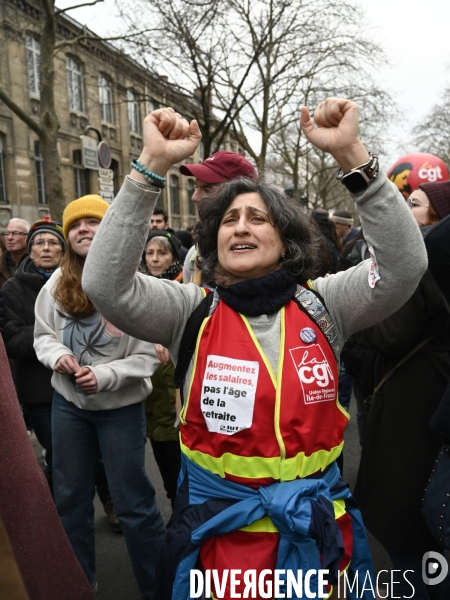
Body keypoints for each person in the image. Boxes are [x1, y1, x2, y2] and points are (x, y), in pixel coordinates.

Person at [83, 101, 428, 600]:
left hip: (317, 536)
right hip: (219, 543)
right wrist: (150, 167)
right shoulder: (189, 312)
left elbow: (403, 265)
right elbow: (105, 285)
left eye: (257, 218)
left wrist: (353, 155)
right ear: (213, 240)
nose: (241, 226)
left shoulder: (326, 304)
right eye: (228, 220)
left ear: (284, 239)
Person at [33, 194, 166, 598]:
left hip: (120, 410)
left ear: (110, 231)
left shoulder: (138, 287)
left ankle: (158, 587)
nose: (83, 230)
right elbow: (43, 336)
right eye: (75, 225)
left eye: (93, 223)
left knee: (134, 504)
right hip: (67, 407)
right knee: (70, 500)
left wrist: (105, 375)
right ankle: (79, 585)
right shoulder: (56, 284)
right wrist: (58, 357)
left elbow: (148, 357)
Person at [354, 180, 450, 600]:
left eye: (412, 204)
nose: (404, 212)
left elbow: (390, 334)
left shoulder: (428, 262)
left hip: (418, 403)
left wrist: (356, 317)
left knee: (411, 523)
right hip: (427, 398)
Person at [2, 217, 66, 495]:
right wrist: (55, 329)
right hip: (40, 392)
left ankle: (108, 502)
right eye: (39, 242)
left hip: (81, 383)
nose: (46, 248)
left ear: (63, 251)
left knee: (95, 457)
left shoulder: (77, 282)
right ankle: (57, 519)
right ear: (30, 251)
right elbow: (13, 342)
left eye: (53, 243)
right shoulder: (12, 289)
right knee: (58, 458)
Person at [142, 230, 183, 515]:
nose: (155, 259)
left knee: (182, 464)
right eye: (150, 253)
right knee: (163, 458)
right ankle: (175, 508)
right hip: (151, 393)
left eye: (162, 253)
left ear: (174, 257)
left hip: (176, 391)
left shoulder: (185, 288)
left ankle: (186, 514)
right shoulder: (139, 289)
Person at [179, 149, 257, 284]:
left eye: (207, 190)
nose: (194, 197)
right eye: (196, 187)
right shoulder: (195, 255)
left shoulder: (265, 252)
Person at [0, 218, 30, 286]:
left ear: (28, 237)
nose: (9, 238)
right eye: (7, 233)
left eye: (16, 233)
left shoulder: (36, 264)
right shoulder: (2, 262)